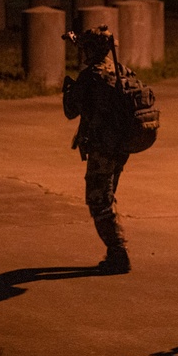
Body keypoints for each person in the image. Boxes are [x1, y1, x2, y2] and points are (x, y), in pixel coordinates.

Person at [62, 26, 133, 274]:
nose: (82, 53)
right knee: (107, 194)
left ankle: (118, 253)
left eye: (84, 48)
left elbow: (71, 112)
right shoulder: (121, 70)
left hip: (102, 147)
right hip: (120, 147)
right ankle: (116, 251)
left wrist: (69, 90)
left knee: (98, 201)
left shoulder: (91, 76)